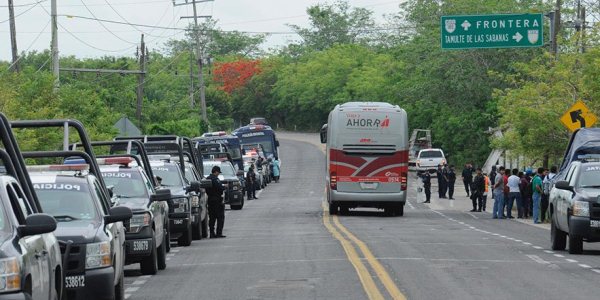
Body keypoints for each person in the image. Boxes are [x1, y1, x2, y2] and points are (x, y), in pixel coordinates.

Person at [206, 166, 227, 238]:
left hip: (210, 200)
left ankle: (212, 233)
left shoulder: (207, 179)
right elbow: (220, 188)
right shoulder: (215, 179)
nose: (218, 174)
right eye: (218, 172)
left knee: (212, 218)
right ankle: (219, 233)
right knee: (220, 217)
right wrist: (225, 186)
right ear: (216, 172)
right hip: (217, 201)